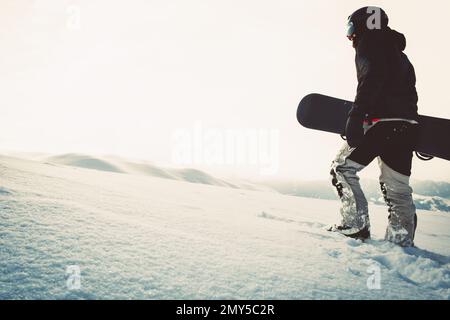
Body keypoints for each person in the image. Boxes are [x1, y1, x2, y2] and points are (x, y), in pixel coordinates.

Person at [329, 7, 419, 247]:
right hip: (405, 126)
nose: (350, 37)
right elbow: (410, 94)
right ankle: (400, 241)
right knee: (397, 188)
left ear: (362, 26)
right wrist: (410, 123)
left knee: (341, 169)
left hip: (378, 125)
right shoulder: (401, 55)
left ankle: (355, 225)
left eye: (351, 29)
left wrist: (356, 115)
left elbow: (372, 78)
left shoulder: (369, 44)